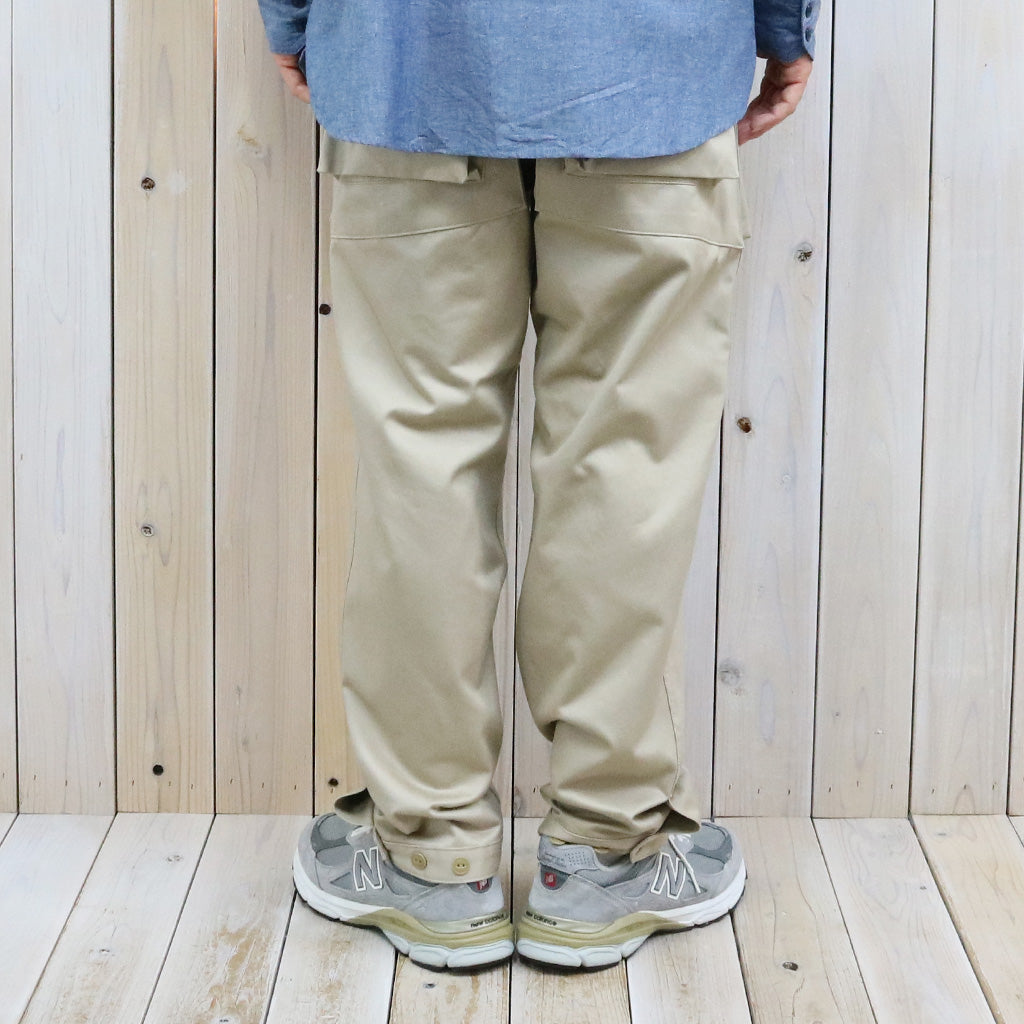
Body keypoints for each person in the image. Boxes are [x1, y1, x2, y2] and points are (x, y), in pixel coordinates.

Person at [258, 0, 817, 970]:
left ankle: (432, 856)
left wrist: (296, 20)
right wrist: (783, 28)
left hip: (404, 65)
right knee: (625, 466)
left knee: (422, 463)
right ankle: (607, 850)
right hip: (654, 69)